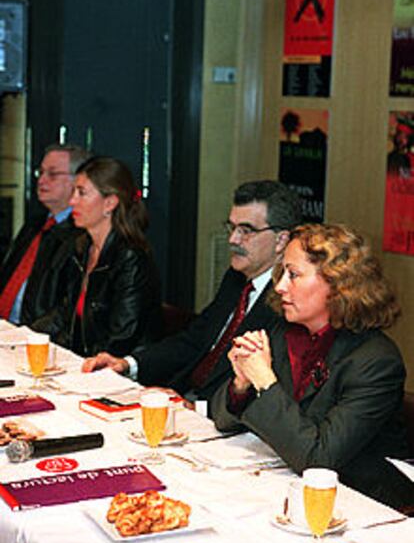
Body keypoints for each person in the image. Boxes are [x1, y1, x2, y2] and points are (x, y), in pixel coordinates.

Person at [211, 223, 414, 510]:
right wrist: (242, 385)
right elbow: (221, 418)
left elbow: (319, 459)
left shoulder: (376, 362)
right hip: (290, 484)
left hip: (363, 505)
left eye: (293, 275)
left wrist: (266, 382)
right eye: (282, 273)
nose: (280, 286)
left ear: (338, 285)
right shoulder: (285, 332)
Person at [83, 180, 303, 402]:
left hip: (223, 415)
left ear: (281, 240)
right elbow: (194, 340)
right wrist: (127, 364)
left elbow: (264, 389)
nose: (232, 239)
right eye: (232, 227)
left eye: (246, 231)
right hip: (182, 393)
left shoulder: (289, 299)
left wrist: (197, 408)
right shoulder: (236, 278)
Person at [31, 156, 162, 358]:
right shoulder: (82, 247)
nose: (72, 200)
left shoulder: (131, 258)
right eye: (74, 191)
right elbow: (65, 314)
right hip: (84, 363)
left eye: (81, 193)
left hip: (117, 373)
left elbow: (121, 339)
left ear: (109, 203)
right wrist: (27, 338)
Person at [0, 143, 90, 325]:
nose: (41, 180)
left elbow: (68, 310)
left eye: (53, 174)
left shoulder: (83, 236)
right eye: (40, 172)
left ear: (78, 180)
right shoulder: (34, 225)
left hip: (37, 337)